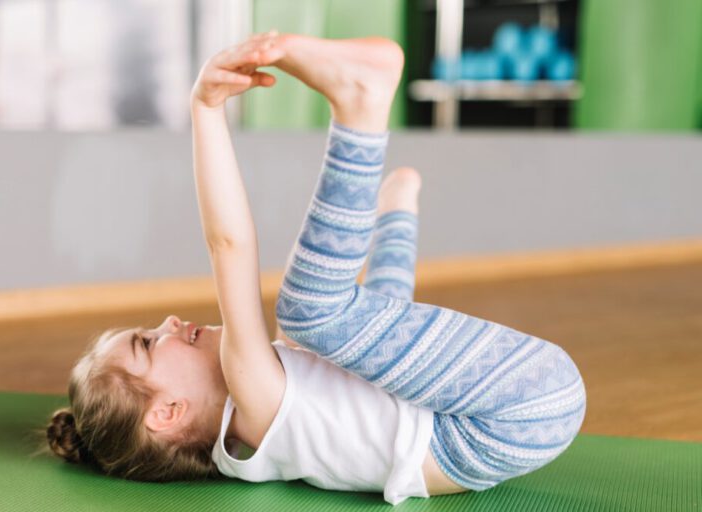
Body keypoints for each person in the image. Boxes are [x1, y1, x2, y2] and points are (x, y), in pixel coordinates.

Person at [46, 31, 586, 505]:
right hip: (514, 414)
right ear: (168, 413)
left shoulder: (270, 412)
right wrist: (205, 111)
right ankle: (359, 103)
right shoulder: (254, 404)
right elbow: (228, 244)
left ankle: (395, 211)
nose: (165, 323)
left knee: (328, 339)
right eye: (145, 343)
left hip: (483, 424)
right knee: (310, 314)